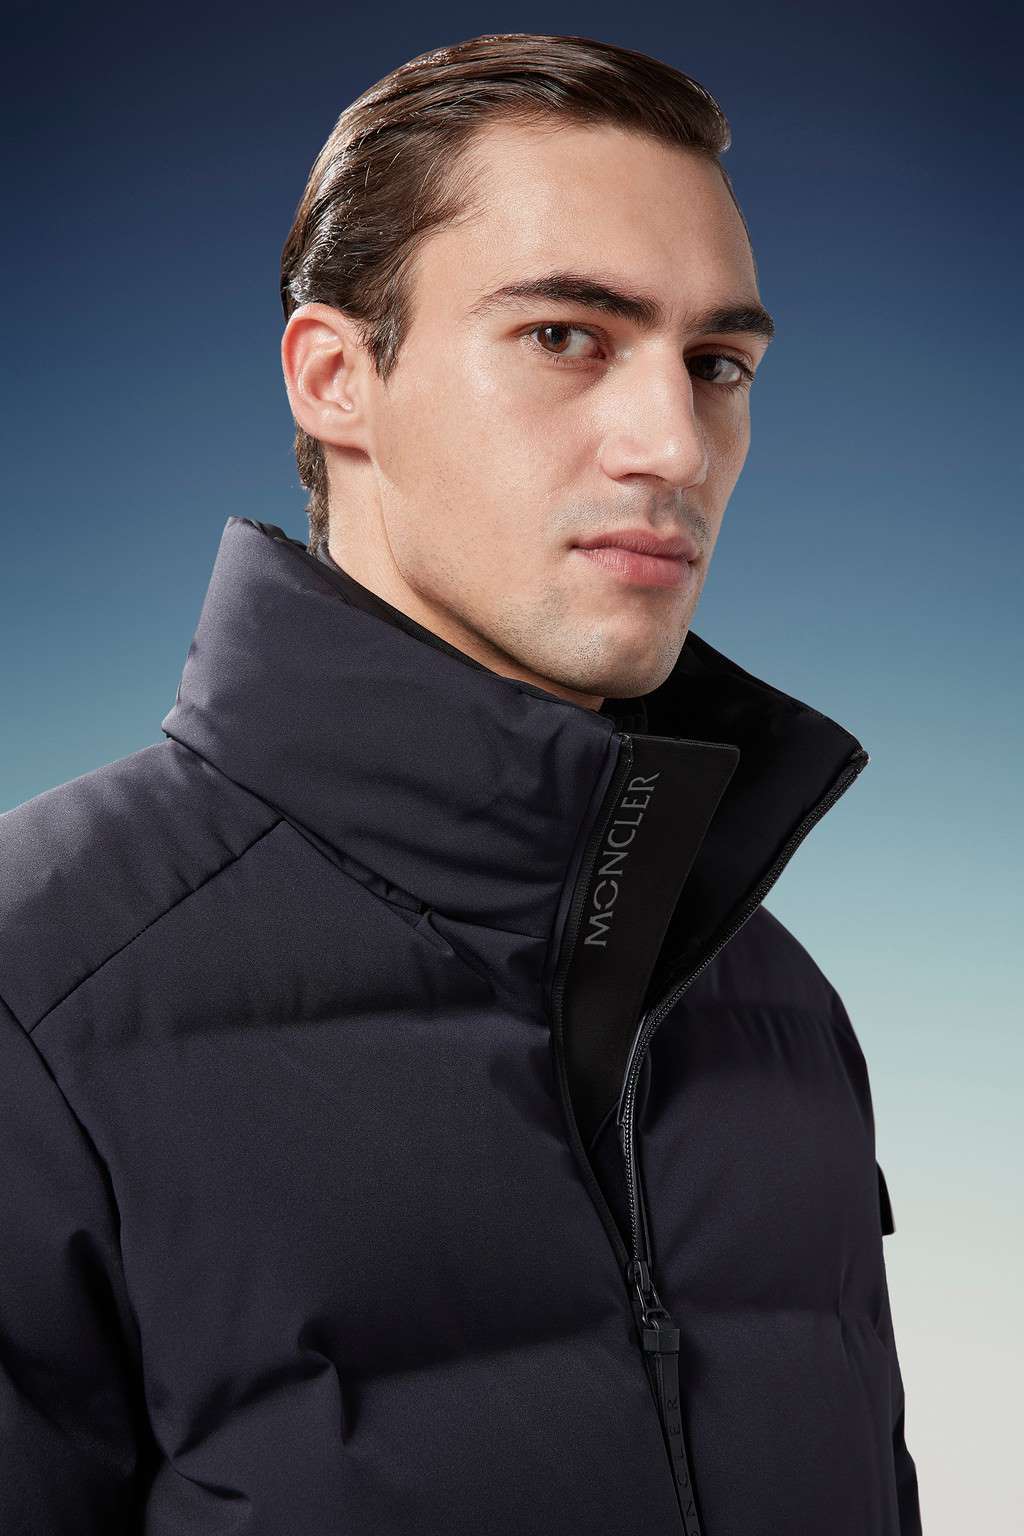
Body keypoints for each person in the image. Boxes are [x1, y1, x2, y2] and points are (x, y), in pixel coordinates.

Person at [0, 31, 921, 1535]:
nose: (674, 444)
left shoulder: (777, 1007)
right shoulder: (35, 991)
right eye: (566, 335)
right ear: (335, 377)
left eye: (717, 364)